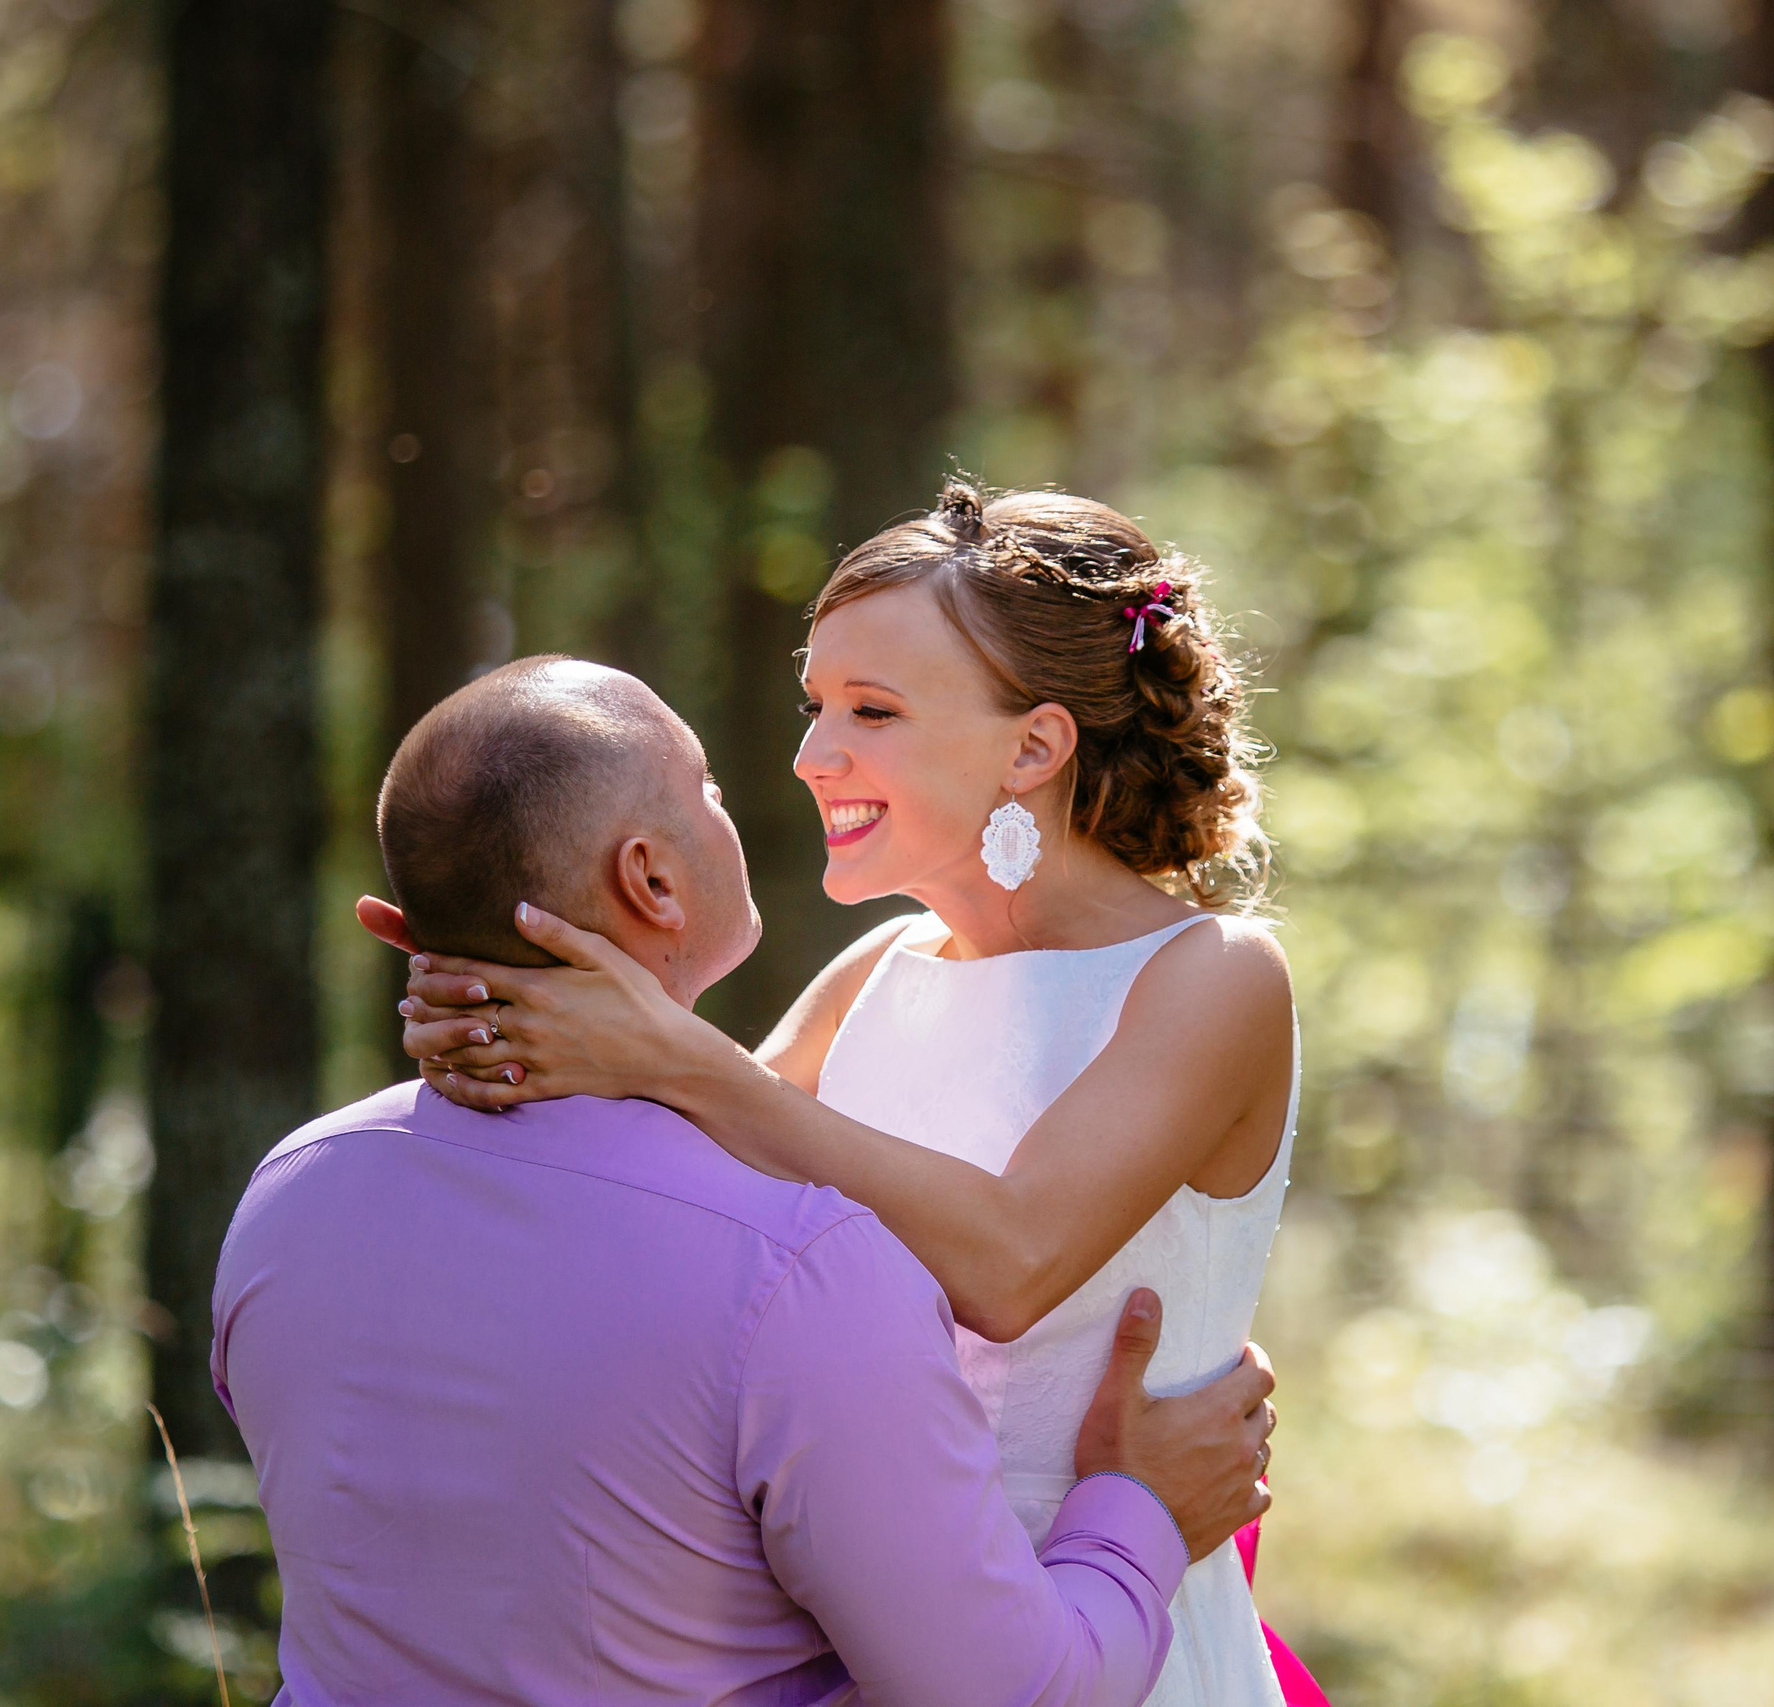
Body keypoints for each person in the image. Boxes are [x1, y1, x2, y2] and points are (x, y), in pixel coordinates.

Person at [384, 483, 1324, 1706]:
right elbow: (682, 1199)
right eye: (816, 703)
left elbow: (1010, 1260)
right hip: (877, 1636)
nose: (810, 755)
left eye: (872, 711)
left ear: (1033, 748)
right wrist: (504, 1022)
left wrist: (669, 1050)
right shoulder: (877, 972)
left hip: (1119, 1639)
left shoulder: (1211, 978)